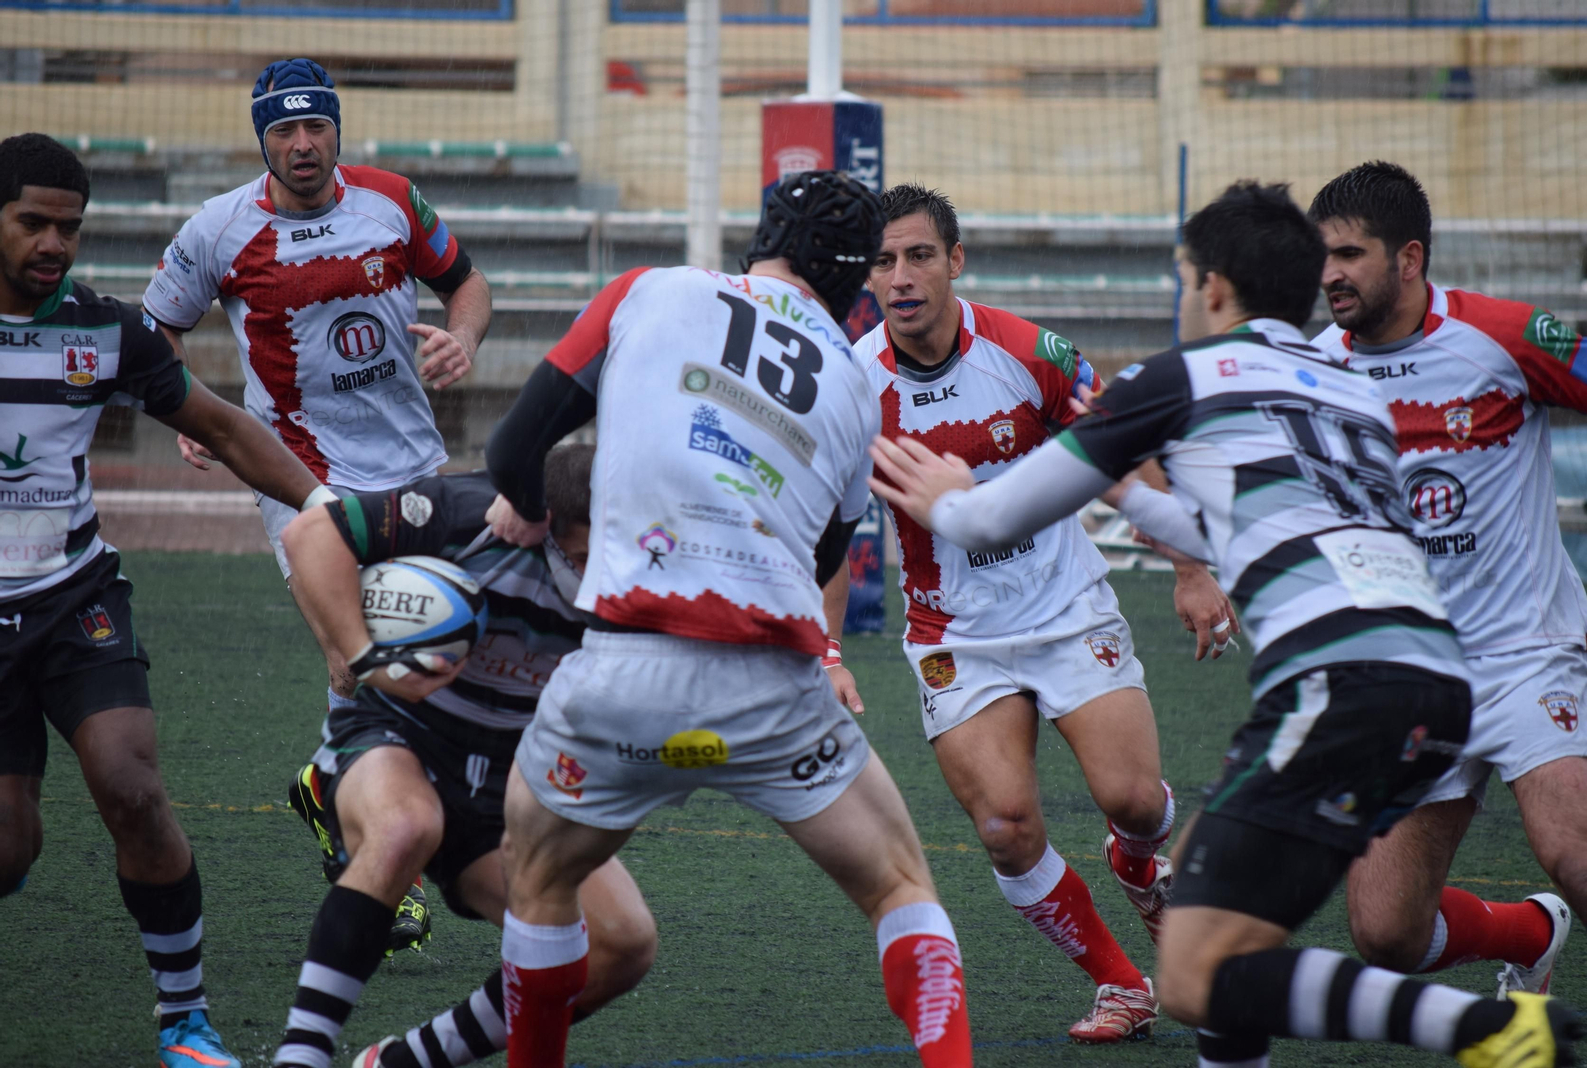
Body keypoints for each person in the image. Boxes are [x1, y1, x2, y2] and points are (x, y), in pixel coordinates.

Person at [868, 180, 1582, 1068]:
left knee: (1195, 968)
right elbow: (1247, 531)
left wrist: (948, 498)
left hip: (1339, 685)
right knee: (1252, 949)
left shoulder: (1180, 378)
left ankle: (1480, 1030)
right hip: (1440, 678)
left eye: (1182, 279)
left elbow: (987, 520)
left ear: (1211, 287)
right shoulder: (1351, 387)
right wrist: (1134, 497)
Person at [482, 170, 974, 1068]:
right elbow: (821, 562)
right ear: (854, 278)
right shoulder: (856, 385)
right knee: (903, 887)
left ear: (763, 238)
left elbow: (514, 447)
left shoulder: (648, 290)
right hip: (772, 687)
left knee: (540, 876)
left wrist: (527, 504)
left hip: (621, 671)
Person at [826, 181, 1239, 1042]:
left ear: (955, 261)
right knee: (1006, 829)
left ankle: (1139, 865)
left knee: (1133, 801)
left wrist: (1190, 569)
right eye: (884, 261)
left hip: (1067, 609)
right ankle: (1122, 985)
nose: (900, 277)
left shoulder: (1030, 352)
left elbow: (1123, 445)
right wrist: (824, 651)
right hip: (955, 636)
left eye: (919, 256)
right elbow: (829, 529)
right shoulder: (853, 386)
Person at [142, 57, 493, 946]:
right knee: (357, 659)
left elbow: (467, 283)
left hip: (414, 466)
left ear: (337, 129)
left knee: (439, 653)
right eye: (285, 131)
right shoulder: (220, 229)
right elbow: (158, 330)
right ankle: (375, 859)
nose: (303, 144)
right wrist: (189, 410)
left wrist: (462, 337)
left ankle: (326, 782)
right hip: (297, 474)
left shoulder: (392, 201)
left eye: (317, 127)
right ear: (263, 140)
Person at [0, 133, 328, 1068]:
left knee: (134, 789)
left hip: (74, 599)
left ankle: (185, 1022)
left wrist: (324, 507)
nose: (54, 243)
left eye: (69, 227)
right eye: (32, 223)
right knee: (10, 849)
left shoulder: (105, 331)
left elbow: (223, 425)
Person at [1308, 161, 1587, 992]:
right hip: (1405, 675)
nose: (1329, 274)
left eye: (1349, 255)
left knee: (1580, 854)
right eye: (1321, 255)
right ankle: (1529, 934)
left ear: (1409, 259)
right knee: (1387, 933)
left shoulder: (1505, 338)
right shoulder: (1309, 368)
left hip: (1524, 652)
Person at [269, 444, 657, 1068]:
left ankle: (408, 1061)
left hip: (509, 786)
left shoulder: (645, 578)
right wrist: (367, 658)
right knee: (406, 826)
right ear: (545, 525)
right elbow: (310, 535)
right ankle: (302, 1055)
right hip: (398, 737)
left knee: (622, 943)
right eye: (586, 557)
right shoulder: (467, 514)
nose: (600, 578)